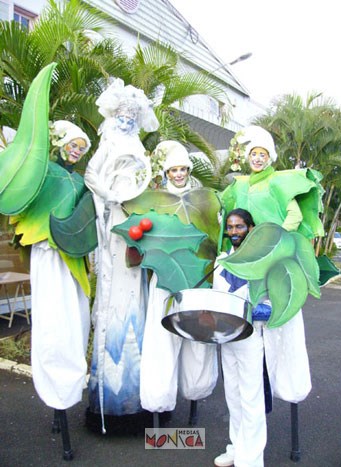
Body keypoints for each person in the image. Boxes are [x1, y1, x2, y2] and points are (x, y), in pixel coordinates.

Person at [84, 78, 159, 432]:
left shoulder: (139, 149)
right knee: (115, 298)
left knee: (137, 299)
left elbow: (146, 180)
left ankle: (140, 394)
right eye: (122, 114)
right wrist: (111, 197)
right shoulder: (108, 143)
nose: (127, 120)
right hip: (115, 221)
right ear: (114, 115)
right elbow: (90, 175)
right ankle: (111, 399)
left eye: (133, 115)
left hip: (138, 225)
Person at [213, 208, 311, 467]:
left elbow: (275, 299)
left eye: (240, 227)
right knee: (232, 395)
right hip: (227, 338)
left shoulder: (266, 261)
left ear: (251, 228)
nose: (234, 232)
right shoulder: (221, 261)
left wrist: (262, 308)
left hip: (251, 338)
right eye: (231, 227)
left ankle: (252, 459)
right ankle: (236, 447)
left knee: (250, 397)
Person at [140, 140, 218, 413]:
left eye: (182, 169)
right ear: (166, 172)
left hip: (197, 276)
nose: (178, 175)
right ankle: (159, 400)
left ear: (188, 170)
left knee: (197, 335)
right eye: (173, 170)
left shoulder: (204, 199)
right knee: (163, 337)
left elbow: (213, 235)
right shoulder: (154, 202)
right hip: (166, 275)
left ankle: (196, 393)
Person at [24, 120, 91, 411]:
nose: (76, 151)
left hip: (73, 258)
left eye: (81, 148)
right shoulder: (42, 174)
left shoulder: (80, 182)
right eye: (73, 145)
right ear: (60, 143)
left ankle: (69, 384)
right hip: (47, 253)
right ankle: (54, 386)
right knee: (52, 319)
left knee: (75, 319)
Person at [220, 126, 324, 243]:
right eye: (254, 154)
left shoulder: (277, 181)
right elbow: (229, 210)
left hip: (273, 250)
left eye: (262, 155)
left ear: (269, 158)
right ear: (248, 157)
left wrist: (278, 238)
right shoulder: (240, 184)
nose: (257, 159)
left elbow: (295, 215)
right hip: (247, 247)